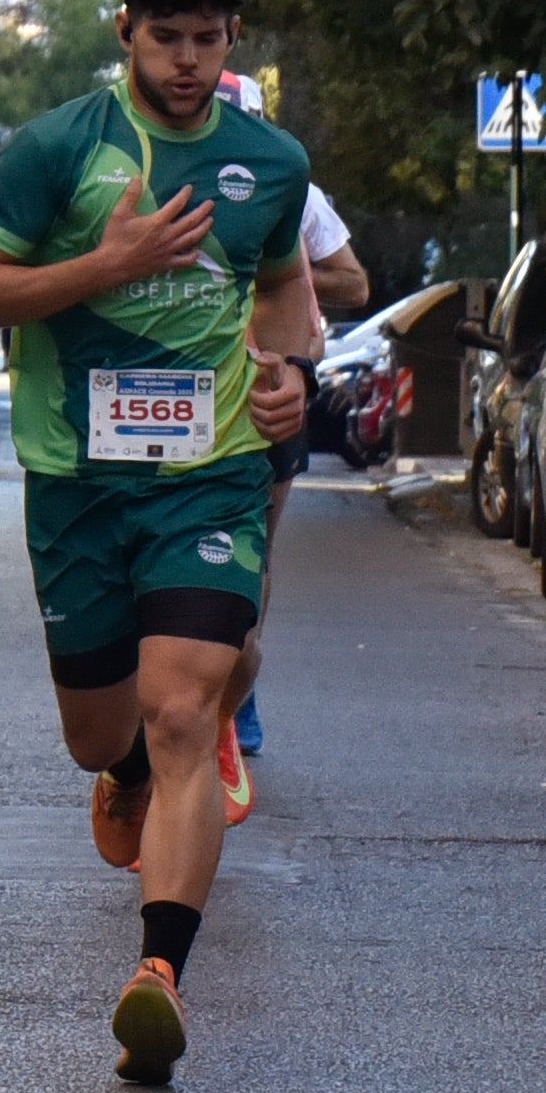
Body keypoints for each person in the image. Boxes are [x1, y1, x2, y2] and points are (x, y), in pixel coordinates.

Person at [0, 0, 311, 1085]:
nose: (187, 60)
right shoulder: (61, 147)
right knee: (104, 732)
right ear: (126, 34)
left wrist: (291, 368)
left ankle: (157, 975)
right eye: (165, 37)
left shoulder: (269, 161)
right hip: (77, 478)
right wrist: (104, 264)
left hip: (209, 473)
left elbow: (282, 278)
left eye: (207, 38)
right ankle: (124, 771)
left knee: (185, 708)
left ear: (231, 38)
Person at [231, 180, 368, 754]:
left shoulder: (288, 185)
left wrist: (288, 273)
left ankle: (239, 690)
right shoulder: (143, 165)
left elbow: (355, 284)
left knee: (251, 547)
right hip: (178, 394)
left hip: (270, 387)